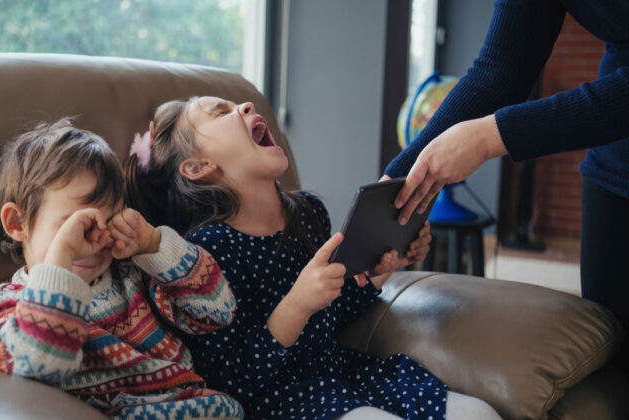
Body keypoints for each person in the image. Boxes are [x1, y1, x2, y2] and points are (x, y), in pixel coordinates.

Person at [123, 96, 503, 420]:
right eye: (221, 112)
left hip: (342, 376)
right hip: (280, 401)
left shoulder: (307, 213)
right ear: (197, 168)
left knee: (478, 414)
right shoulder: (207, 255)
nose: (246, 105)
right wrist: (297, 305)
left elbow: (331, 316)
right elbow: (231, 379)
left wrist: (378, 272)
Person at [384, 0, 629, 412]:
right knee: (621, 381)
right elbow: (500, 66)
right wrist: (398, 180)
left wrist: (489, 138)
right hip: (620, 168)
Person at [0, 119, 244, 419]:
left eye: (109, 220)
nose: (96, 240)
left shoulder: (132, 279)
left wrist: (153, 244)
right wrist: (61, 258)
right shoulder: (2, 306)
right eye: (79, 224)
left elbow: (217, 311)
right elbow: (39, 367)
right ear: (17, 223)